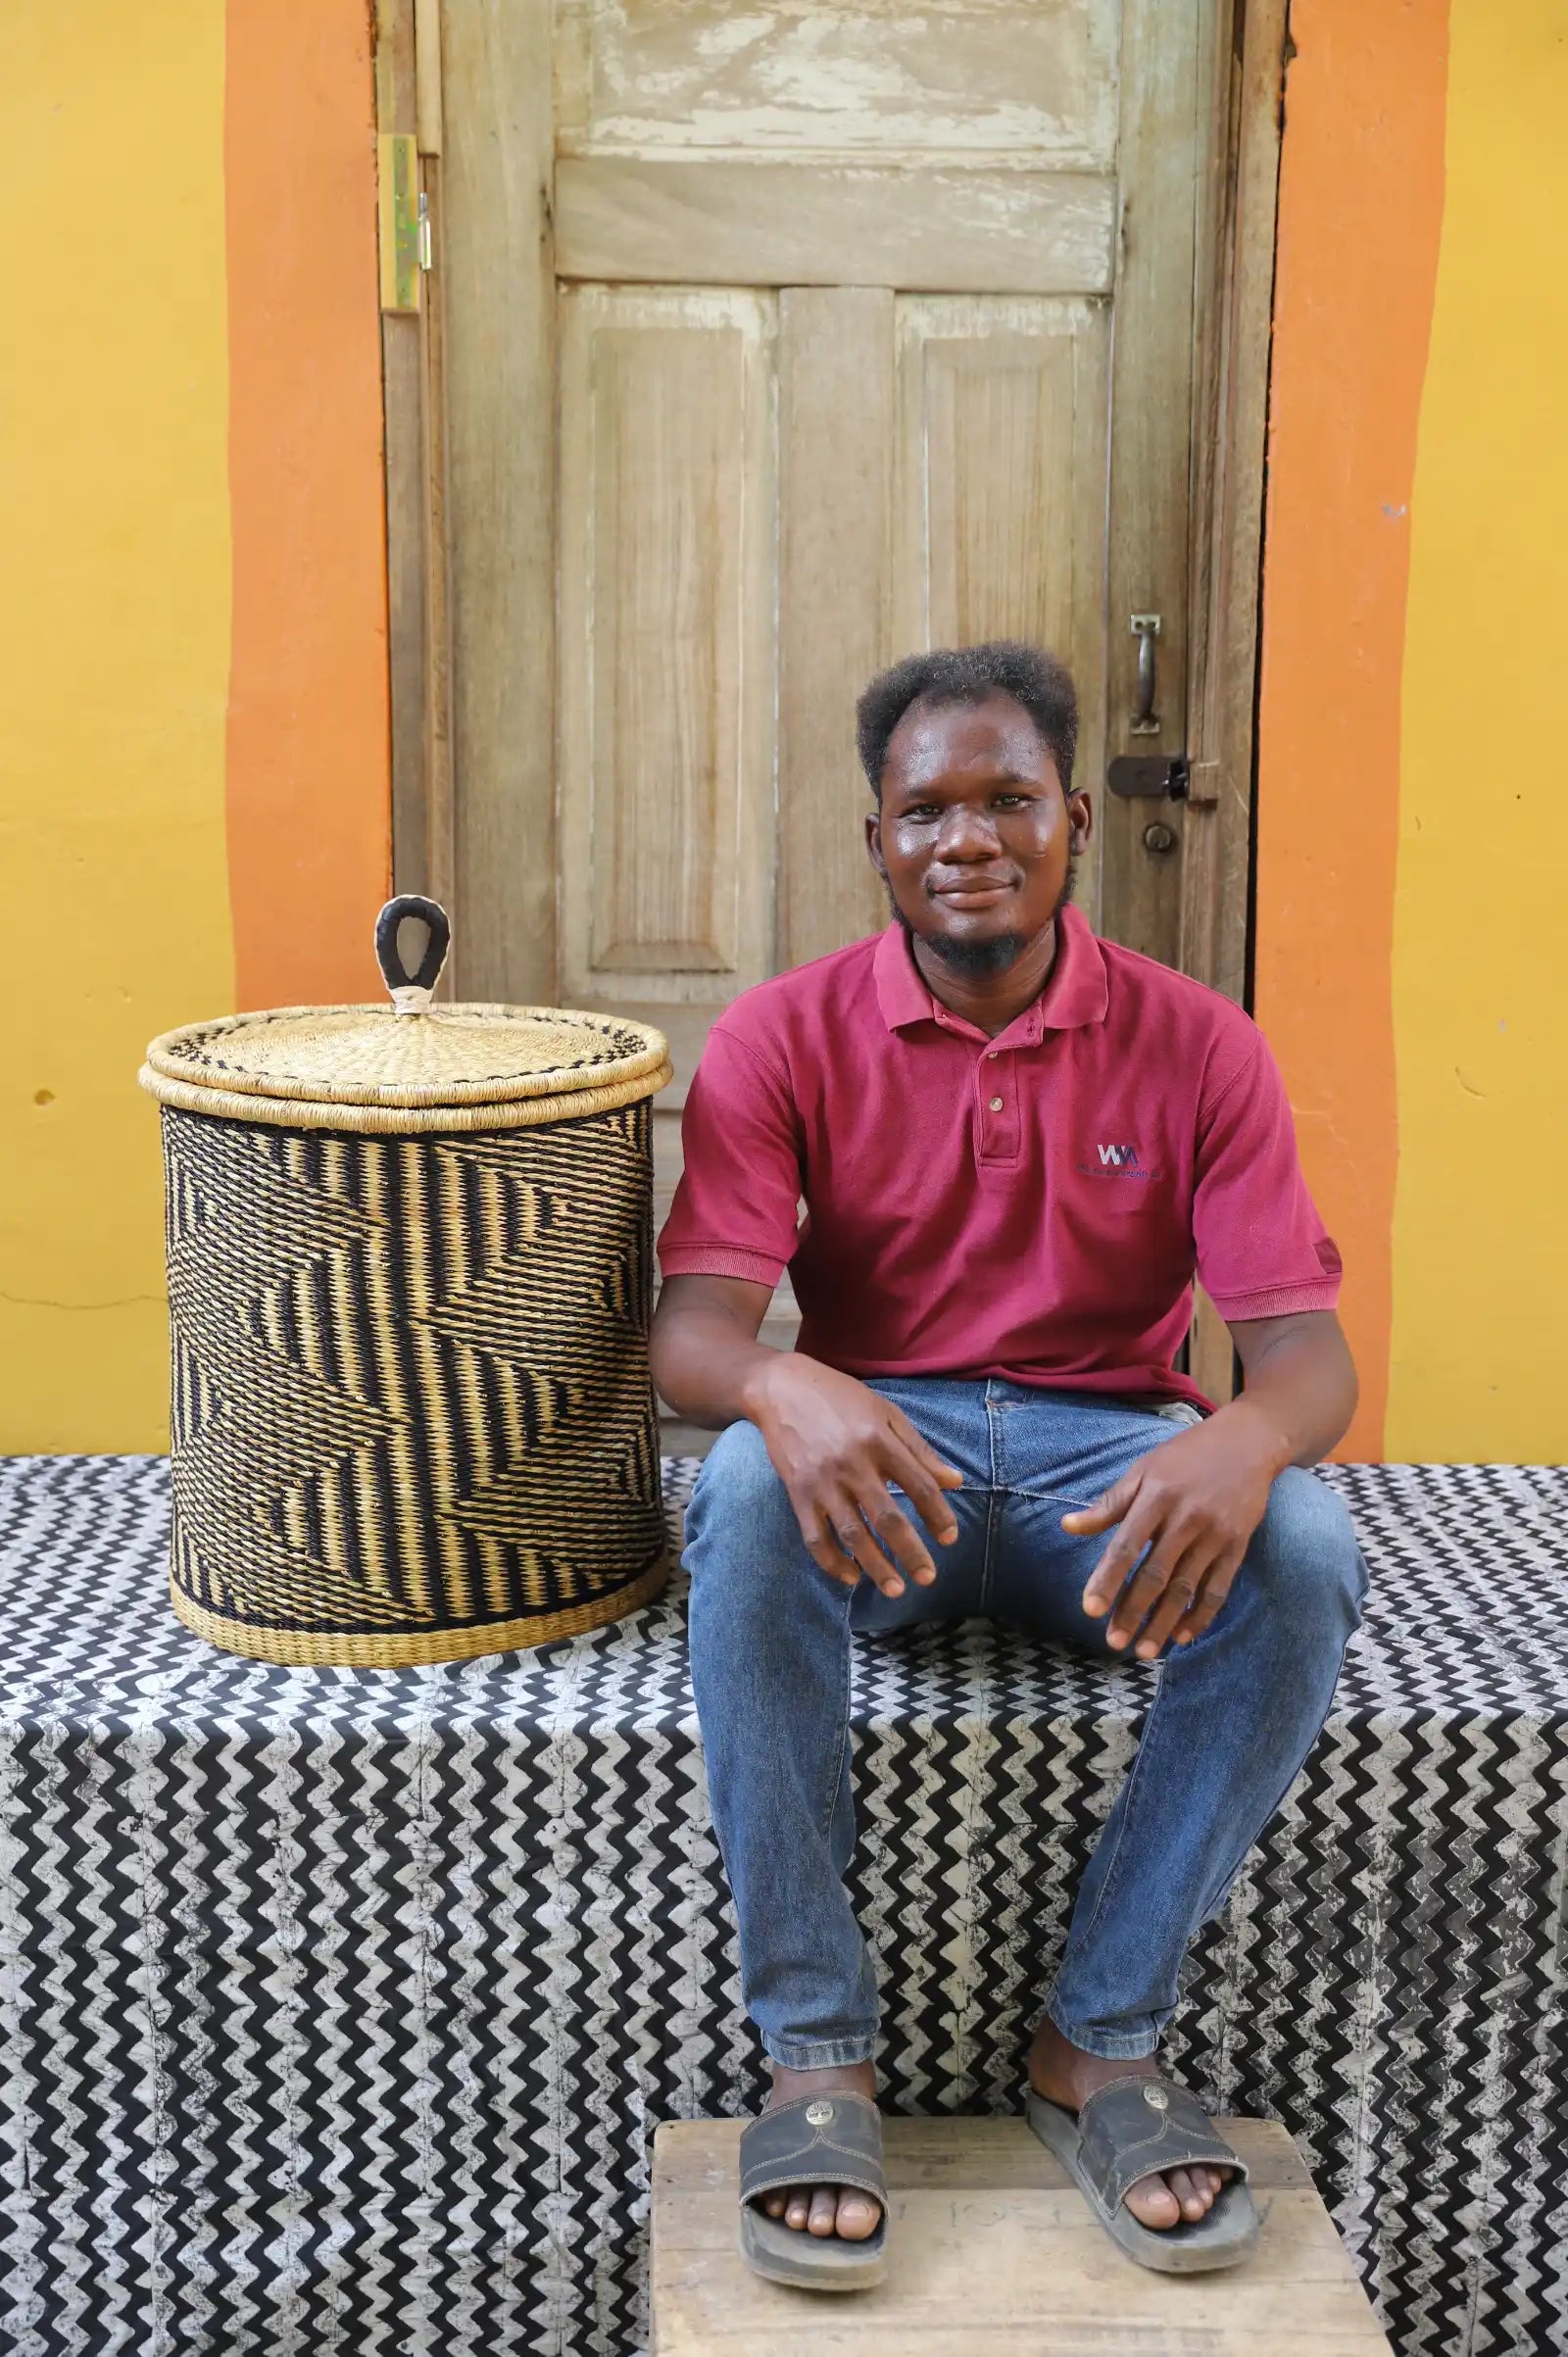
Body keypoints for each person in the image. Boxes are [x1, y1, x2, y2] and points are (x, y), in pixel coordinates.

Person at [650, 640, 1366, 2290]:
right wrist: (779, 1379)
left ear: (1073, 824)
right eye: (926, 809)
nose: (966, 836)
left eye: (1008, 799)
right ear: (877, 841)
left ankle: (1098, 2043)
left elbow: (1308, 1358)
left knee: (1310, 1547)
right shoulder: (780, 1034)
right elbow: (690, 1335)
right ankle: (818, 2058)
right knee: (744, 1488)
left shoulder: (1201, 1044)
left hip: (1103, 1481)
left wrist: (1245, 1436)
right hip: (883, 1468)